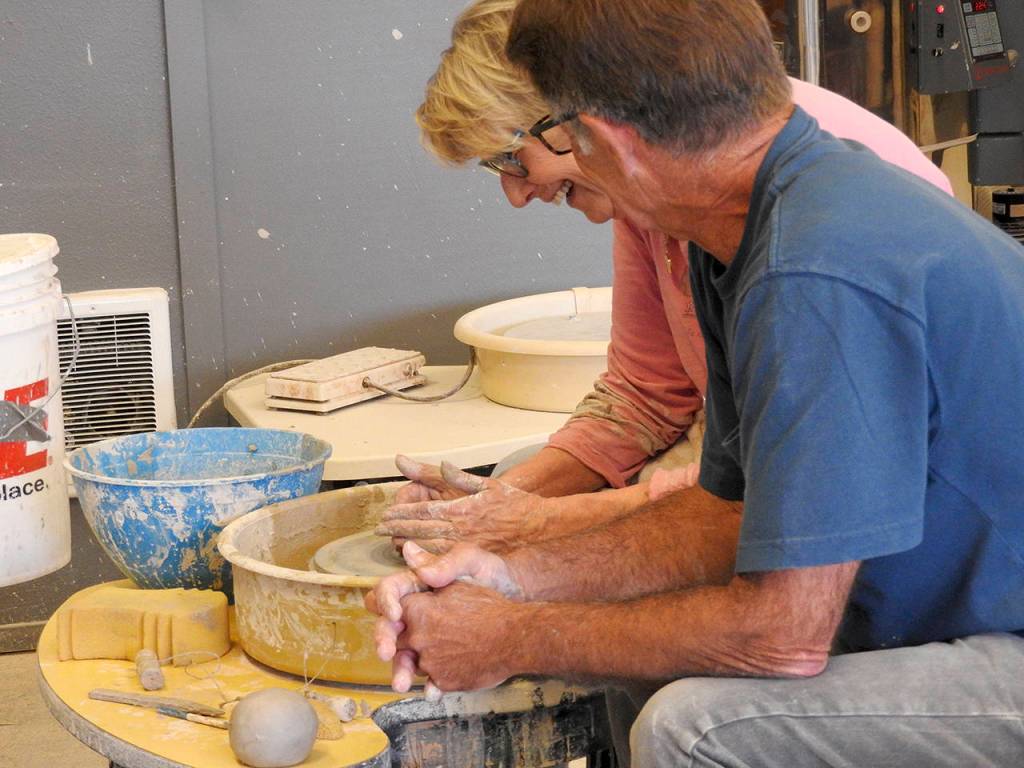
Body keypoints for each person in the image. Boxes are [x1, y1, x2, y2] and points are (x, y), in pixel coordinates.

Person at [367, 1, 1024, 766]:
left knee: (696, 725)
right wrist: (509, 575)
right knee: (632, 642)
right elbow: (725, 517)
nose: (550, 178)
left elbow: (782, 637)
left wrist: (512, 634)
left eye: (563, 142)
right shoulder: (742, 226)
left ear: (610, 142)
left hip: (1003, 641)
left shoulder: (814, 269)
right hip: (946, 600)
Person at [378, 0, 953, 556]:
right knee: (510, 485)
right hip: (765, 458)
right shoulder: (650, 192)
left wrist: (538, 526)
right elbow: (647, 391)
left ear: (577, 121)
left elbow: (794, 497)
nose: (517, 194)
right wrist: (501, 502)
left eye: (512, 160)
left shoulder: (806, 208)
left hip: (892, 497)